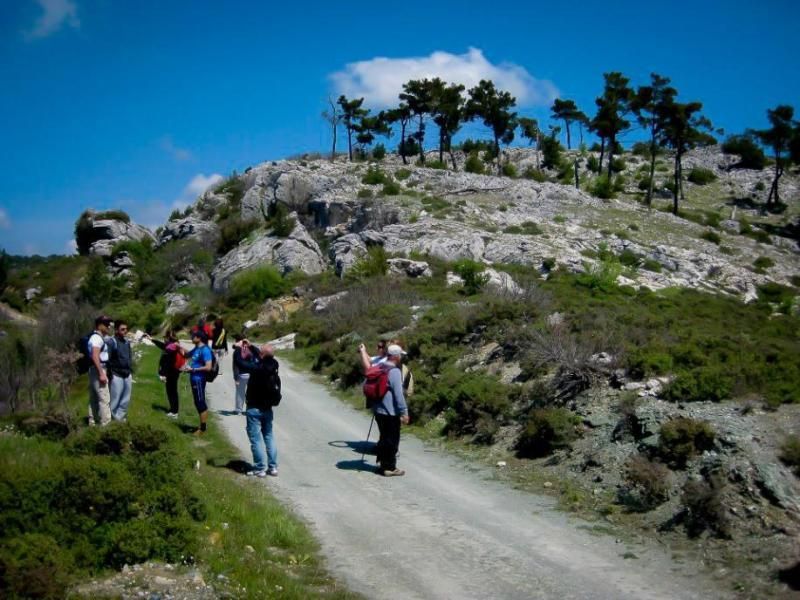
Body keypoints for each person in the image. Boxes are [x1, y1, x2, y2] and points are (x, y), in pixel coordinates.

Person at [235, 342, 280, 477]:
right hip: (268, 408)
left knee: (256, 439)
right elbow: (263, 355)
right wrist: (251, 346)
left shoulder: (257, 368)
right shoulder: (274, 365)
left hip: (254, 407)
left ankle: (260, 468)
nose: (258, 352)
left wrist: (238, 349)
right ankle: (272, 467)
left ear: (263, 355)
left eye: (260, 351)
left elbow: (241, 363)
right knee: (269, 436)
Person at [373, 343, 410, 476]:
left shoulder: (380, 366)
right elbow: (398, 394)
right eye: (400, 355)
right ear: (396, 356)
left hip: (378, 410)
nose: (401, 357)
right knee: (392, 440)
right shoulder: (394, 371)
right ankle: (389, 467)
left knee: (383, 437)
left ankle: (382, 464)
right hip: (390, 412)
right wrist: (404, 412)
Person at [184, 329, 214, 435]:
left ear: (199, 338)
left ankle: (203, 428)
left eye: (194, 336)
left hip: (199, 379)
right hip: (194, 379)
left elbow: (208, 367)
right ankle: (201, 426)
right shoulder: (196, 348)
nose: (192, 338)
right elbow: (187, 355)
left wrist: (193, 370)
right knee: (197, 402)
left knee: (200, 402)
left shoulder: (205, 350)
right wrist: (177, 346)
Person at [150, 330, 184, 418]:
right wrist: (152, 339)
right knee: (171, 391)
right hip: (174, 371)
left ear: (168, 338)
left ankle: (174, 412)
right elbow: (162, 345)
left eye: (165, 337)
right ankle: (173, 409)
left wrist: (164, 374)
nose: (164, 339)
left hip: (172, 372)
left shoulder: (171, 348)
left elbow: (168, 362)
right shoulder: (171, 346)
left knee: (172, 391)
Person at [87, 315, 113, 426]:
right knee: (104, 398)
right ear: (99, 325)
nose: (108, 326)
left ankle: (93, 422)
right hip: (99, 369)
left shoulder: (97, 337)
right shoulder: (97, 338)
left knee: (94, 397)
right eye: (106, 324)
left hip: (94, 370)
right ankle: (106, 424)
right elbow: (95, 356)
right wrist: (101, 373)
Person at [107, 320, 134, 421]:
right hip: (116, 374)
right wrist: (109, 374)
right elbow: (108, 359)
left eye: (126, 329)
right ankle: (112, 418)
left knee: (126, 399)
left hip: (127, 374)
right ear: (116, 330)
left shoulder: (127, 342)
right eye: (122, 329)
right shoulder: (112, 342)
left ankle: (120, 417)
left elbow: (129, 357)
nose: (125, 331)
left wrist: (130, 369)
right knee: (115, 398)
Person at [231, 334, 251, 415]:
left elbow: (235, 366)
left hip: (241, 375)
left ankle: (239, 410)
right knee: (250, 393)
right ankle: (249, 410)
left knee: (240, 393)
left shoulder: (237, 351)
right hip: (251, 374)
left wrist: (236, 378)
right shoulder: (250, 349)